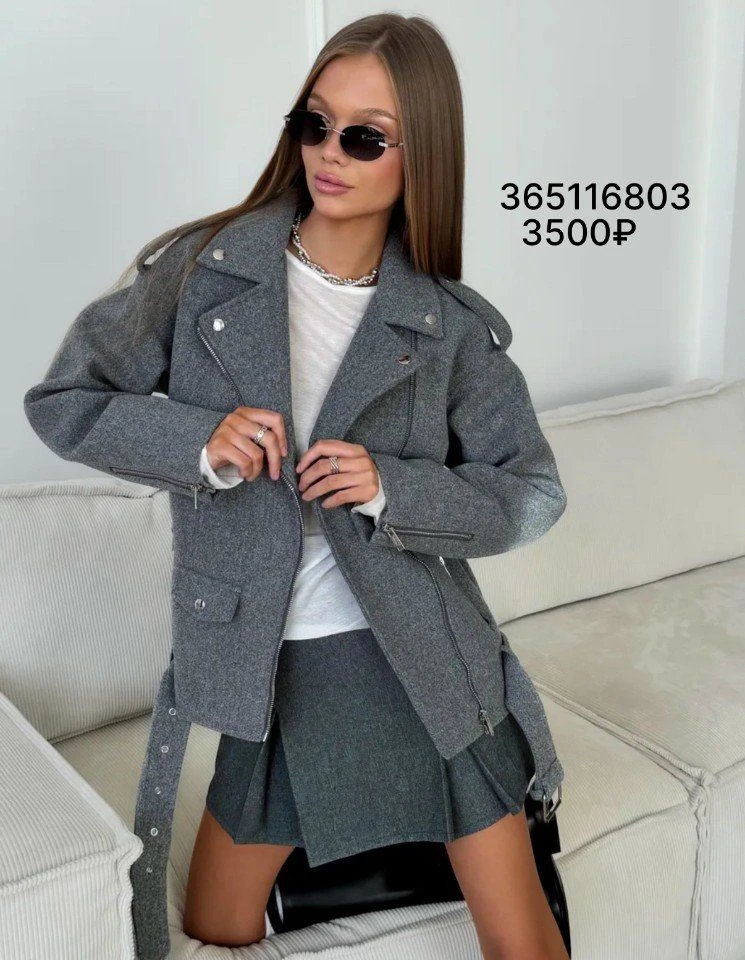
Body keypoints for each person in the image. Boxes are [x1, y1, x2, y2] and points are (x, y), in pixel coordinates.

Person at [24, 13, 569, 960]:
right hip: (269, 662)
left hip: (425, 657)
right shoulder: (205, 271)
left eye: (365, 137)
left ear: (422, 153)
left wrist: (392, 488)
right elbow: (64, 400)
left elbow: (530, 490)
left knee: (520, 940)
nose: (328, 153)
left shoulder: (445, 326)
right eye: (314, 124)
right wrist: (200, 440)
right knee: (215, 925)